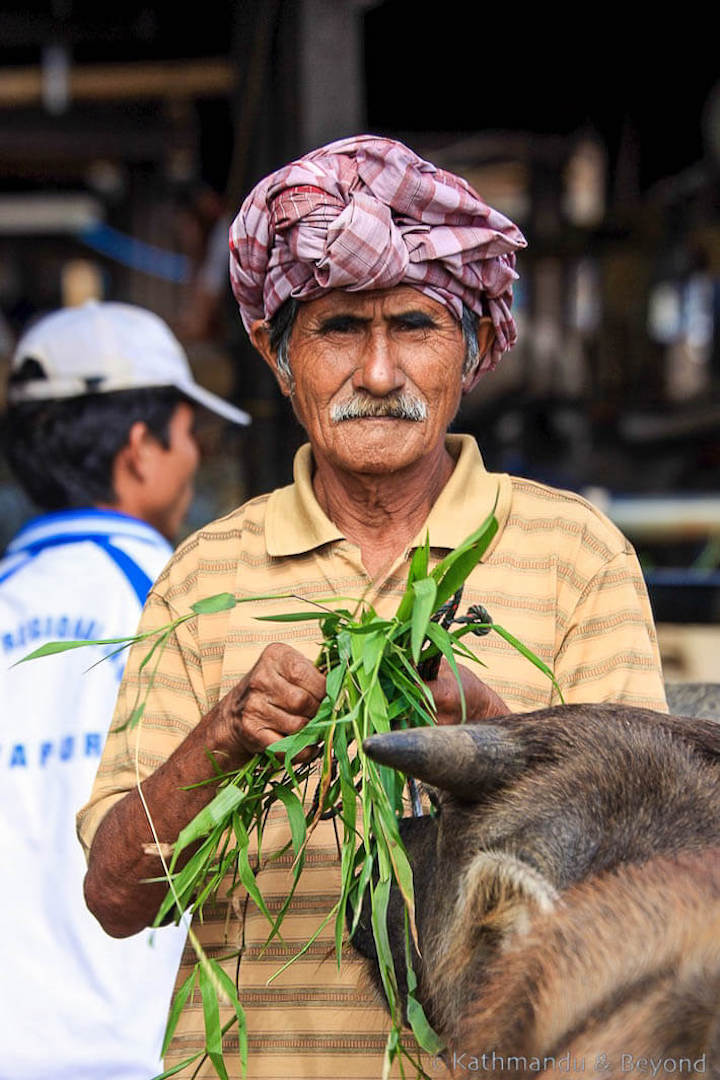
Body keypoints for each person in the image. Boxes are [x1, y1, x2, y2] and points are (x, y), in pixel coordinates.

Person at [77, 138, 667, 1080]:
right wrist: (221, 740)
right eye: (341, 329)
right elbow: (114, 898)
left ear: (470, 351)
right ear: (278, 356)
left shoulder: (575, 555)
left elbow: (646, 889)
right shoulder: (203, 573)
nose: (381, 373)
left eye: (417, 326)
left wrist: (502, 743)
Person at [0, 300, 249, 1080]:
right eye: (188, 437)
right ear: (141, 449)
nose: (194, 461)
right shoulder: (195, 612)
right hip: (151, 1051)